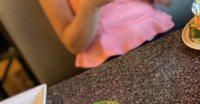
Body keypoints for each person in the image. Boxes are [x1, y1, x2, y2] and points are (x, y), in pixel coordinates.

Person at [39, 0, 174, 68]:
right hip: (107, 58)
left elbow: (168, 1)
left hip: (158, 32)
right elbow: (74, 45)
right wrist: (90, 6)